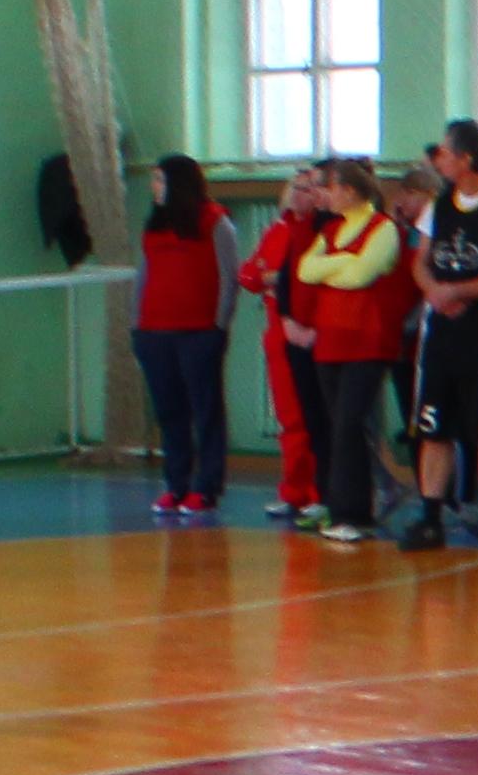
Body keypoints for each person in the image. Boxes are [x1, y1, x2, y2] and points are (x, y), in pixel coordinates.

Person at [393, 122, 478, 551]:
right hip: (439, 336)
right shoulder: (440, 206)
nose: (439, 161)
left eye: (446, 154)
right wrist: (434, 290)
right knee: (433, 428)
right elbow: (421, 260)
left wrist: (459, 291)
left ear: (466, 158)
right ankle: (431, 516)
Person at [293, 157, 411, 544]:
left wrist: (333, 266)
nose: (324, 194)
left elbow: (362, 274)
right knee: (338, 426)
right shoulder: (331, 229)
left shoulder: (383, 228)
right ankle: (345, 508)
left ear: (348, 190)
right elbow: (305, 270)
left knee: (349, 425)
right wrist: (343, 261)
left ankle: (354, 513)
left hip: (368, 341)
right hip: (331, 341)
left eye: (329, 187)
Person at [128, 154, 233, 518]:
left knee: (205, 411)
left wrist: (218, 326)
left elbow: (228, 277)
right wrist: (136, 325)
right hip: (154, 332)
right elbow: (143, 277)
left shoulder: (215, 222)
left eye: (160, 180)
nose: (154, 187)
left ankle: (206, 487)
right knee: (169, 411)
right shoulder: (154, 225)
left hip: (199, 332)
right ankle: (176, 484)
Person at [238, 163, 327, 521]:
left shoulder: (321, 230)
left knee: (314, 415)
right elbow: (249, 275)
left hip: (309, 329)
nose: (298, 195)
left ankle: (318, 491)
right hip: (278, 330)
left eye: (307, 188)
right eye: (295, 188)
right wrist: (272, 277)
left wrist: (275, 277)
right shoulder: (277, 231)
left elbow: (300, 277)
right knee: (289, 416)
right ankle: (293, 490)